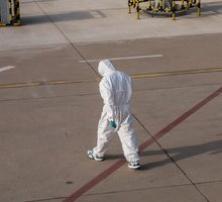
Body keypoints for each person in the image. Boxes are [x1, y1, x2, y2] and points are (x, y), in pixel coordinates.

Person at [87, 59, 140, 169]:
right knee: (128, 135)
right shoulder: (125, 76)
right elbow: (130, 92)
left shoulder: (105, 81)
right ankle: (134, 160)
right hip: (125, 110)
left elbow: (108, 101)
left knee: (104, 133)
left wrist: (111, 119)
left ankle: (98, 153)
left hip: (112, 112)